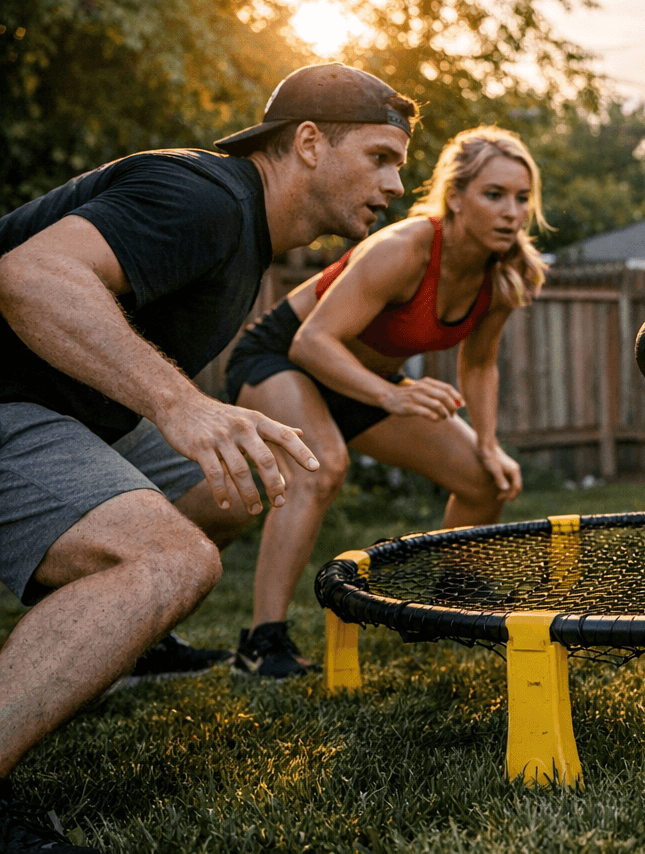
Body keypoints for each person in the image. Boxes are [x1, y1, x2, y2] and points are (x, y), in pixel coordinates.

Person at [0, 63, 415, 850]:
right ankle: (131, 597)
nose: (397, 183)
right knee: (171, 561)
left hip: (57, 412)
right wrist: (179, 404)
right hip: (9, 402)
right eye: (381, 158)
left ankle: (131, 637)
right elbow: (29, 276)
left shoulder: (245, 232)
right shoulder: (205, 197)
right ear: (307, 143)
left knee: (248, 478)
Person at [225, 126, 546, 677]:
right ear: (456, 197)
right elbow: (314, 342)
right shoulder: (403, 249)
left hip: (363, 381)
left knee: (484, 481)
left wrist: (490, 444)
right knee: (322, 465)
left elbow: (479, 363)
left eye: (522, 198)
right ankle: (261, 642)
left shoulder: (505, 276)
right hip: (283, 358)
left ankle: (453, 595)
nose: (512, 212)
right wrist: (390, 396)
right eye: (494, 195)